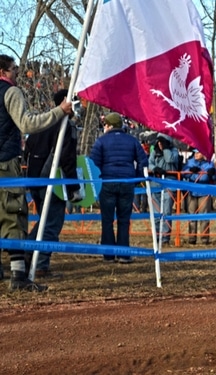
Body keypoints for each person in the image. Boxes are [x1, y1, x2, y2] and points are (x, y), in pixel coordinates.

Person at [0, 54, 72, 291]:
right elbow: (27, 124)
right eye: (13, 69)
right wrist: (60, 111)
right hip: (5, 161)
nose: (17, 73)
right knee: (13, 214)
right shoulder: (11, 92)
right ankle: (18, 276)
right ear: (3, 71)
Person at [24, 89, 82, 278]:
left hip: (35, 180)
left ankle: (26, 254)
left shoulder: (42, 121)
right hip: (52, 181)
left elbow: (28, 151)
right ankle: (39, 263)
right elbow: (67, 158)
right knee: (51, 224)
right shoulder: (65, 125)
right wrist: (73, 187)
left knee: (43, 221)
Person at [90, 112, 149, 263]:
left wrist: (98, 182)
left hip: (107, 183)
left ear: (109, 125)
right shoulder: (132, 141)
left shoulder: (101, 141)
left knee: (107, 219)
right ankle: (123, 254)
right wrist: (136, 178)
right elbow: (143, 161)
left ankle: (108, 255)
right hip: (127, 182)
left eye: (105, 125)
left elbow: (93, 165)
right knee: (124, 219)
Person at [148, 133, 179, 245]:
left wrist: (166, 148)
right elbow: (149, 163)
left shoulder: (174, 151)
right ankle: (156, 236)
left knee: (166, 212)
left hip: (169, 183)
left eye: (162, 142)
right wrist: (155, 168)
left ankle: (165, 238)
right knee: (156, 212)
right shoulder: (154, 152)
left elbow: (170, 159)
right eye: (159, 142)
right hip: (155, 183)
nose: (160, 144)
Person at [182, 149, 216, 245]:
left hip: (204, 192)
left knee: (204, 216)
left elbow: (215, 177)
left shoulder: (209, 163)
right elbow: (183, 173)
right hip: (192, 192)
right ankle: (192, 238)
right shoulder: (190, 162)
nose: (196, 154)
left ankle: (204, 239)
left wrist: (212, 174)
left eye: (198, 152)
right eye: (195, 152)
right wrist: (190, 171)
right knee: (191, 216)